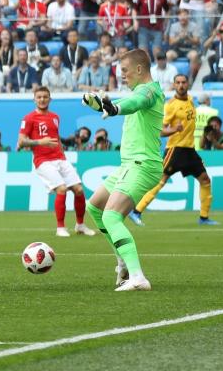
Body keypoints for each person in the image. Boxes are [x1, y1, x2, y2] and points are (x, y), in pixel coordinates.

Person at [80, 48, 163, 291]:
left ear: (139, 69)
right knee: (94, 206)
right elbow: (125, 104)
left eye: (125, 71)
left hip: (142, 165)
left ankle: (137, 277)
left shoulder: (149, 90)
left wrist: (114, 108)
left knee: (111, 216)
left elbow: (134, 103)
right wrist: (103, 107)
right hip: (129, 164)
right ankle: (122, 258)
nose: (122, 76)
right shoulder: (140, 91)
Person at [130, 75, 218, 227]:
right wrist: (173, 130)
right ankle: (136, 211)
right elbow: (160, 130)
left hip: (190, 150)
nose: (181, 85)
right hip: (175, 149)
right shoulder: (170, 105)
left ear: (188, 84)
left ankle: (204, 217)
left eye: (184, 82)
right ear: (174, 85)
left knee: (205, 179)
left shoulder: (190, 100)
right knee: (160, 181)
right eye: (178, 83)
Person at [19, 87, 96, 238]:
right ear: (34, 99)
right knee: (61, 189)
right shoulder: (28, 118)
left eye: (45, 97)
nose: (42, 100)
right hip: (43, 161)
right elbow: (21, 142)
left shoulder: (55, 117)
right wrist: (40, 142)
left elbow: (56, 138)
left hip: (60, 159)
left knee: (79, 190)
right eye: (39, 97)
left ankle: (80, 225)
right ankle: (60, 227)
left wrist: (61, 153)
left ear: (50, 99)